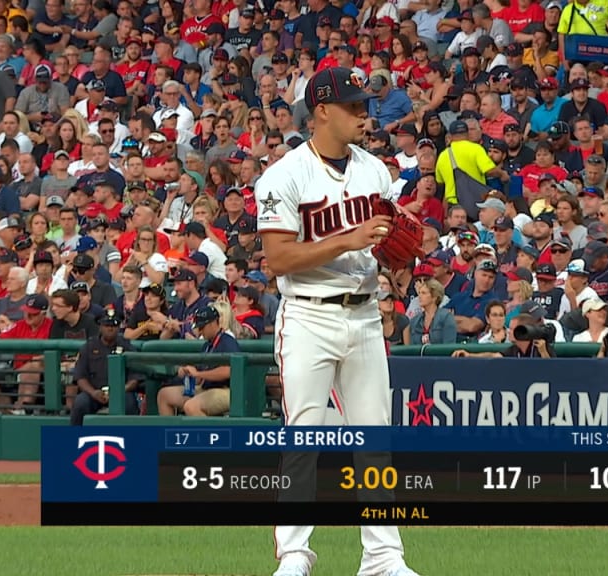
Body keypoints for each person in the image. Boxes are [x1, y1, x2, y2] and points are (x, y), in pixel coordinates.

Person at [254, 67, 419, 576]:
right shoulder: (284, 175)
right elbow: (278, 259)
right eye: (354, 107)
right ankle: (296, 555)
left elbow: (392, 243)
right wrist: (347, 240)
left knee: (375, 440)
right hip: (308, 316)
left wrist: (401, 260)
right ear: (321, 110)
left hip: (366, 313)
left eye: (366, 106)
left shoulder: (375, 171)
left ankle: (383, 559)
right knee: (302, 437)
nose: (364, 115)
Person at [157, 304, 240, 416]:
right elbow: (199, 376)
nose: (200, 332)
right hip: (206, 388)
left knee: (191, 406)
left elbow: (228, 371)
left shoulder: (227, 341)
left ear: (213, 323)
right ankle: (170, 433)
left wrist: (199, 374)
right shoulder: (207, 345)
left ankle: (210, 434)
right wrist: (189, 373)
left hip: (228, 391)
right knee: (164, 395)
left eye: (202, 327)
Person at [68, 307, 144, 426]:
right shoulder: (89, 347)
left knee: (130, 403)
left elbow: (135, 379)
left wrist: (118, 392)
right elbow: (80, 377)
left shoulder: (127, 347)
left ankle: (132, 439)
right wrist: (93, 393)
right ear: (100, 326)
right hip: (95, 392)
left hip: (121, 392)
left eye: (114, 325)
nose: (110, 328)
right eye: (106, 325)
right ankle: (74, 438)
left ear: (119, 327)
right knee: (80, 402)